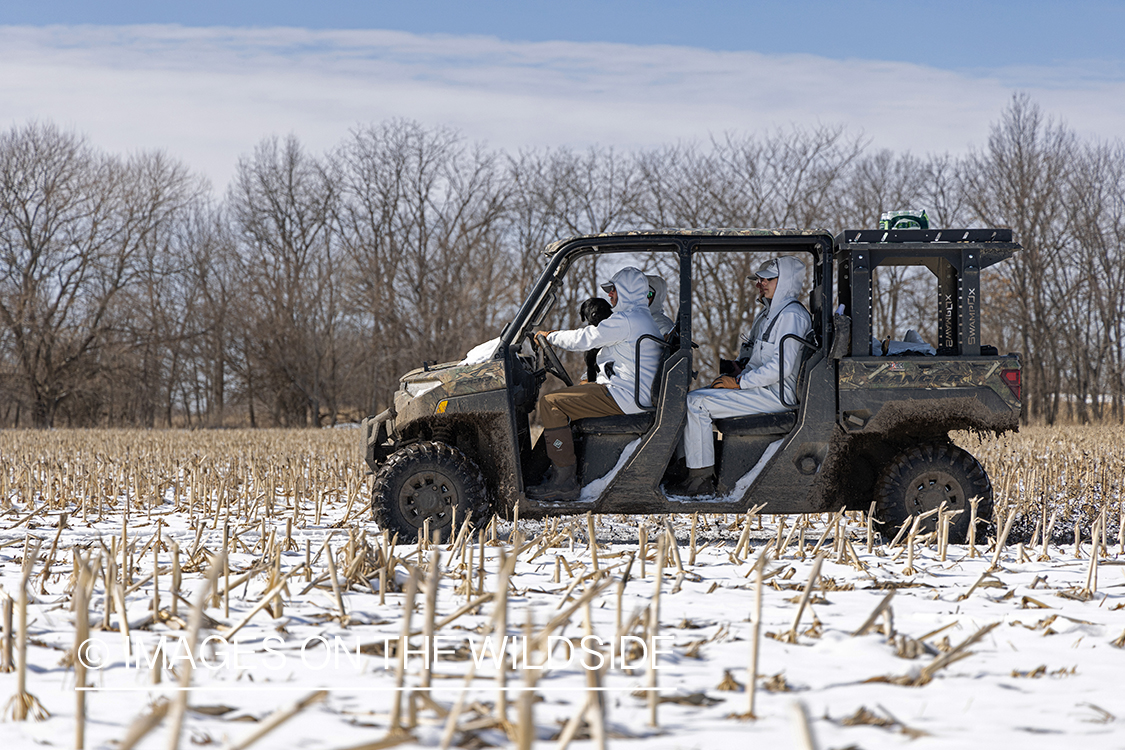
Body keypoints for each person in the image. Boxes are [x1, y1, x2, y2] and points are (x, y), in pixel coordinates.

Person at [667, 256, 812, 496]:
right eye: (759, 279)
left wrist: (739, 383)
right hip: (761, 388)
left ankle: (700, 479)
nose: (760, 283)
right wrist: (739, 371)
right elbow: (760, 359)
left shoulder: (791, 316)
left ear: (785, 281)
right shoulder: (770, 314)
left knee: (696, 403)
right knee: (696, 396)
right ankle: (683, 469)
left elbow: (781, 367)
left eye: (767, 279)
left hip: (776, 395)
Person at [528, 267, 663, 501]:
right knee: (569, 396)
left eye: (613, 290)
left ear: (627, 291)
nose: (609, 295)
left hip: (623, 396)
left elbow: (586, 338)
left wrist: (550, 337)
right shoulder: (642, 318)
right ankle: (551, 468)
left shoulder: (627, 320)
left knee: (551, 404)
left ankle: (564, 481)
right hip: (626, 391)